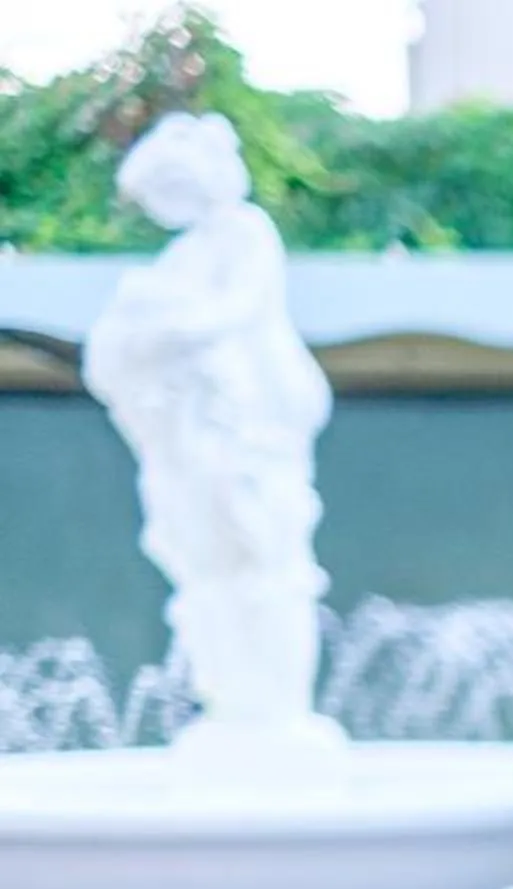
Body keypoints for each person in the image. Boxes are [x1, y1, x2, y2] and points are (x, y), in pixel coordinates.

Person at [80, 112, 341, 753]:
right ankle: (232, 701)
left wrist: (162, 322)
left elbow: (234, 314)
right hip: (190, 434)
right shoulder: (184, 253)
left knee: (262, 560)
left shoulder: (246, 234)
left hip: (244, 426)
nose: (160, 208)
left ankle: (273, 711)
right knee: (204, 569)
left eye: (164, 192)